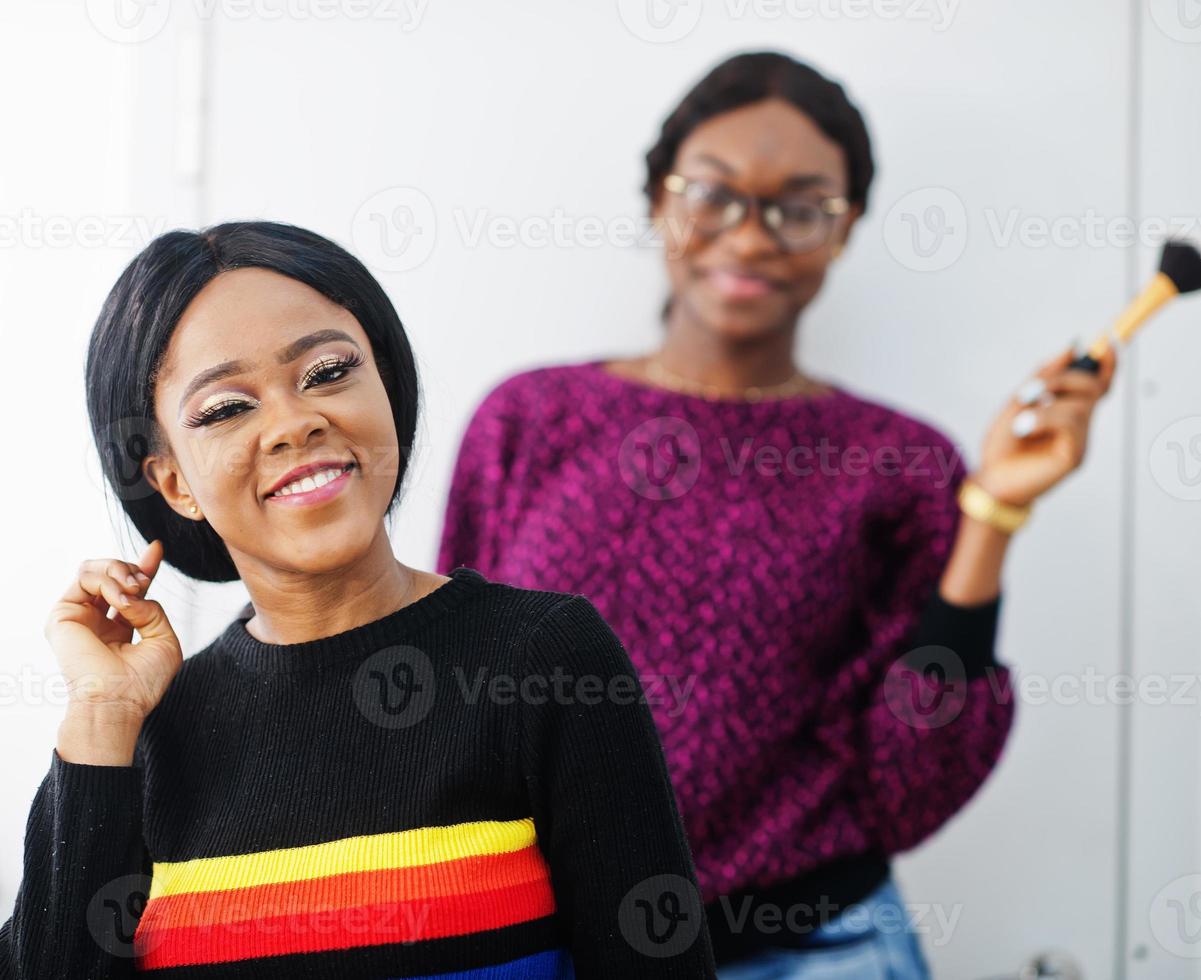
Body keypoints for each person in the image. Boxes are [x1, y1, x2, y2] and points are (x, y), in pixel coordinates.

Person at [436, 51, 1115, 977]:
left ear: (843, 231)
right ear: (657, 201)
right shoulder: (530, 418)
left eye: (799, 208)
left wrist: (992, 511)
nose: (751, 238)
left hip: (817, 948)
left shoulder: (900, 463)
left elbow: (913, 787)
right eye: (713, 195)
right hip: (549, 942)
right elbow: (456, 696)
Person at [0, 221, 718, 978]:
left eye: (328, 371)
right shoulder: (144, 731)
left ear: (387, 389)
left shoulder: (544, 659)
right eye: (225, 409)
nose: (295, 422)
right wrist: (102, 719)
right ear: (173, 482)